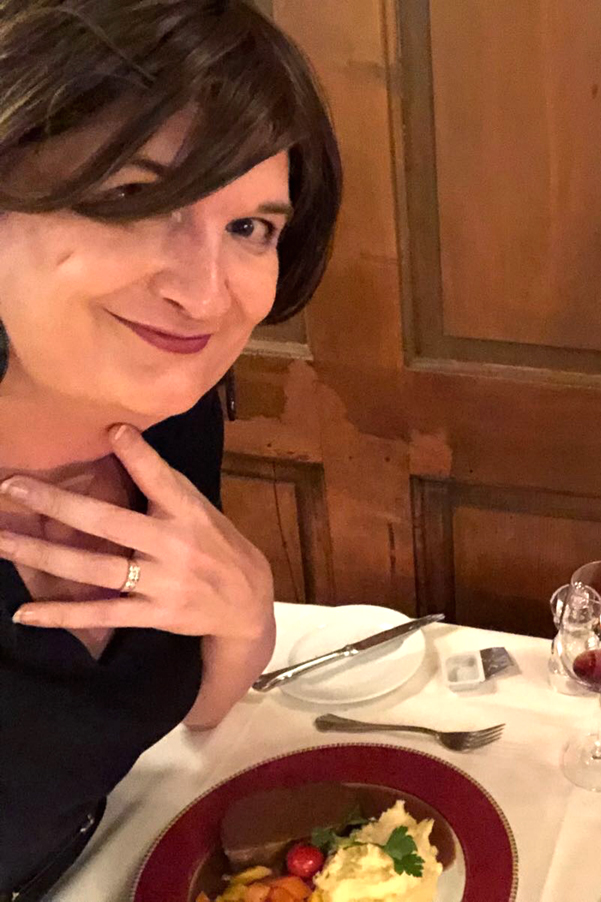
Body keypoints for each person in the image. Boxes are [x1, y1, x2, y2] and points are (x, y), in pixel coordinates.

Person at [0, 1, 340, 897]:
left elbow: (191, 709)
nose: (204, 294)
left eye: (250, 228)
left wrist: (247, 617)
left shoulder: (172, 416)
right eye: (131, 199)